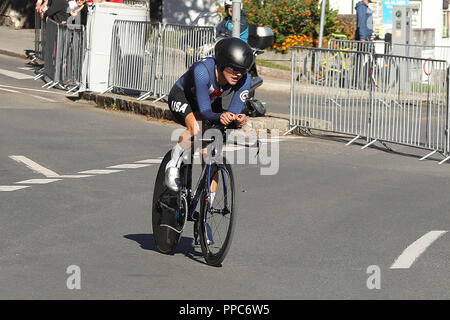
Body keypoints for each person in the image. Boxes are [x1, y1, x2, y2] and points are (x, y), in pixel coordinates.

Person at [165, 37, 253, 191]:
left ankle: (208, 204)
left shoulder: (244, 79)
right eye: (233, 68)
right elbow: (205, 112)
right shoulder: (202, 71)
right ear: (222, 63)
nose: (238, 74)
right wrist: (221, 116)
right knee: (196, 128)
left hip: (209, 102)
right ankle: (172, 165)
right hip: (183, 97)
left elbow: (233, 111)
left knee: (211, 156)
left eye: (242, 70)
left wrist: (237, 119)